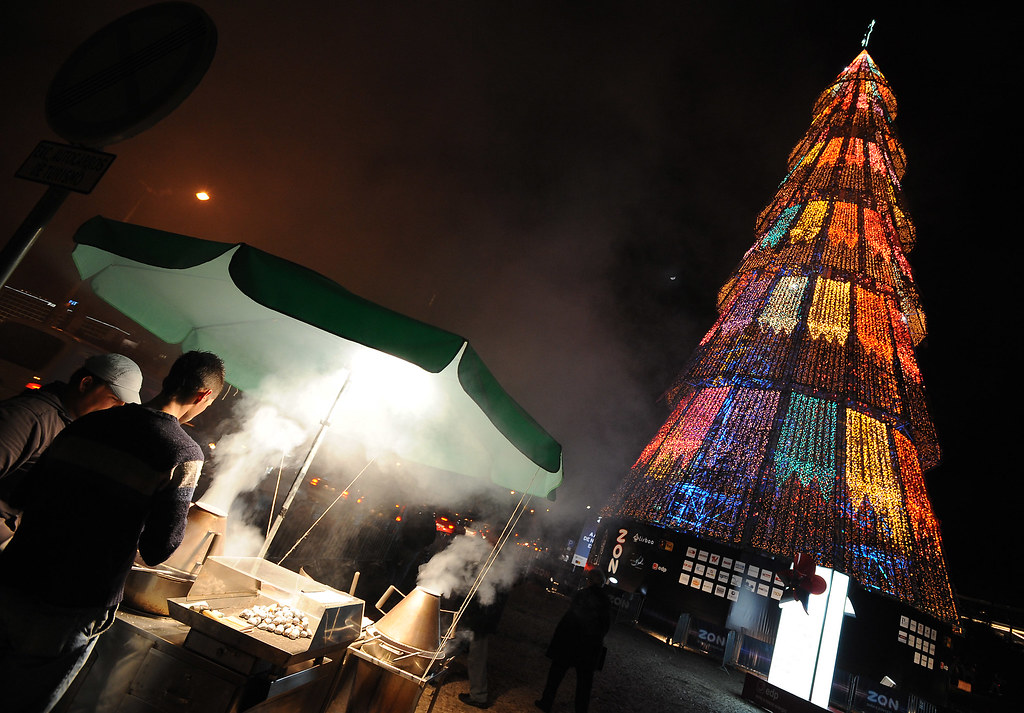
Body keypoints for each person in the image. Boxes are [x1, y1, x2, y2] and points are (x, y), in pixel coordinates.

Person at [0, 350, 225, 713]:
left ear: (169, 380)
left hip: (13, 578)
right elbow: (158, 549)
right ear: (203, 397)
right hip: (74, 603)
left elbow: (26, 494)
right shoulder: (182, 452)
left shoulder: (87, 423)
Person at [0, 353, 143, 543]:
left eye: (123, 404)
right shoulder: (29, 418)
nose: (117, 408)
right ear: (86, 384)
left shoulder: (72, 427)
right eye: (114, 398)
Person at [535, 567, 612, 713]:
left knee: (555, 676)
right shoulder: (605, 601)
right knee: (584, 684)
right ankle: (580, 710)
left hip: (571, 643)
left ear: (589, 581)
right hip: (590, 648)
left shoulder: (582, 595)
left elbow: (571, 618)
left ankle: (546, 702)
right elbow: (605, 626)